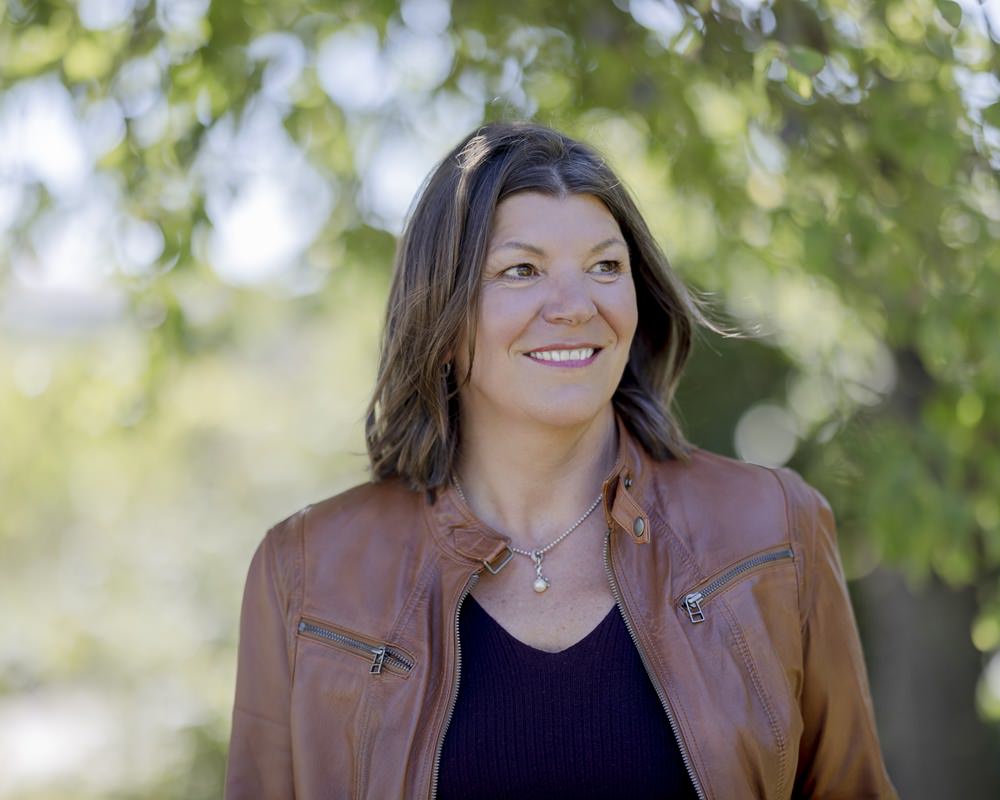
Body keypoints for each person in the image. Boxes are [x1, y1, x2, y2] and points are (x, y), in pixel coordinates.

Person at [224, 121, 897, 799]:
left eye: (606, 267)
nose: (577, 307)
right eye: (522, 270)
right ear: (444, 318)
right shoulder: (307, 570)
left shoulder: (773, 528)